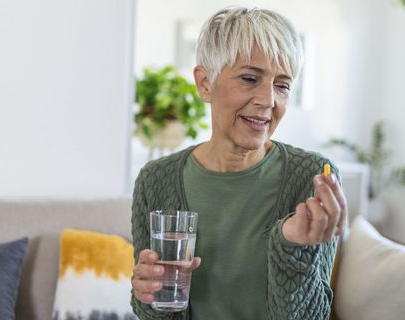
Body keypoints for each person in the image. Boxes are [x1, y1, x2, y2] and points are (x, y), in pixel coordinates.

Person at [130, 6, 347, 320]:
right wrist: (146, 294)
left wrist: (293, 246)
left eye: (282, 85)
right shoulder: (156, 179)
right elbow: (155, 309)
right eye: (249, 78)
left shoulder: (312, 178)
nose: (268, 100)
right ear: (205, 83)